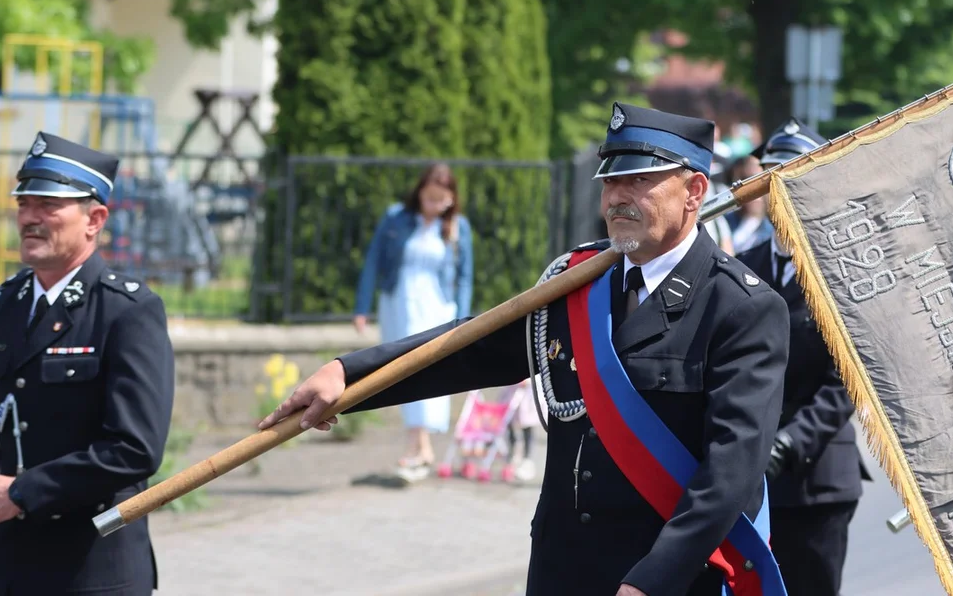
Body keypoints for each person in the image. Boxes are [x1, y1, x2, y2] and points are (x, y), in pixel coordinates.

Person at [261, 103, 791, 596]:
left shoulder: (740, 308)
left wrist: (654, 579)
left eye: (639, 181)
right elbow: (468, 348)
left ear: (694, 191)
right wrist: (346, 377)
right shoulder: (576, 284)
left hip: (663, 576)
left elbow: (730, 474)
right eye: (610, 181)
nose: (616, 198)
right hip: (562, 569)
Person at [0, 132, 176, 596]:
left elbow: (135, 448)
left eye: (49, 205)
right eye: (24, 204)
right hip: (4, 564)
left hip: (90, 566)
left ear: (95, 219)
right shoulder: (6, 304)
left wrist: (20, 493)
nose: (30, 218)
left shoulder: (127, 311)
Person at [739, 119, 870, 596]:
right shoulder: (741, 267)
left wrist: (790, 442)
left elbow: (847, 382)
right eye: (766, 178)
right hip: (748, 477)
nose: (775, 193)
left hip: (816, 479)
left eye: (787, 178)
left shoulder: (840, 270)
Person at [352, 163, 473, 476]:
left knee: (426, 367)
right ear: (419, 193)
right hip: (399, 302)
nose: (434, 206)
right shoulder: (396, 218)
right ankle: (420, 445)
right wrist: (361, 307)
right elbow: (373, 261)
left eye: (441, 200)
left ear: (451, 199)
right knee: (403, 369)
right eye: (429, 198)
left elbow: (465, 276)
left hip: (436, 305)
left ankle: (418, 446)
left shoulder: (458, 227)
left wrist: (464, 318)